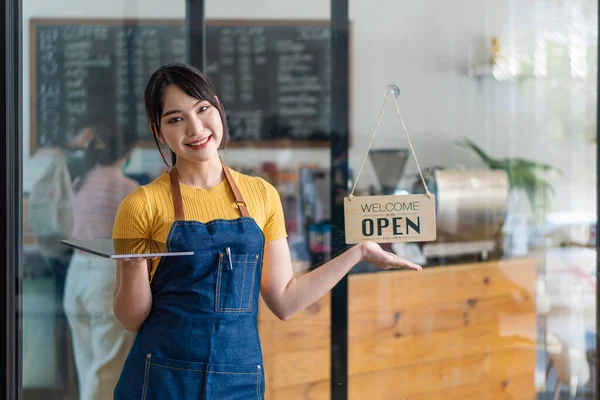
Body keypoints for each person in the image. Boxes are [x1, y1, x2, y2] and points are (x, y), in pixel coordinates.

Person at [112, 62, 421, 399]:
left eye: (203, 109)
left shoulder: (262, 195)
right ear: (158, 131)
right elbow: (131, 318)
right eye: (175, 119)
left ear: (218, 106)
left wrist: (359, 252)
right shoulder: (140, 205)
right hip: (163, 378)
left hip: (239, 380)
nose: (195, 128)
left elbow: (285, 301)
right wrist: (133, 267)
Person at [62, 117, 138, 400]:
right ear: (126, 151)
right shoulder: (129, 189)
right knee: (107, 367)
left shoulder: (79, 183)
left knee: (87, 366)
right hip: (106, 277)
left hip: (76, 274)